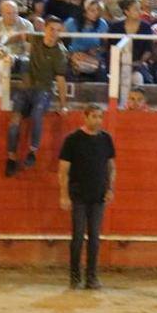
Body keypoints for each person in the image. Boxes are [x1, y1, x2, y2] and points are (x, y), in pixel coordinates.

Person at [58, 104, 116, 290]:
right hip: (78, 195)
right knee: (77, 237)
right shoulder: (73, 139)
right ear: (85, 117)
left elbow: (111, 167)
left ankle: (91, 277)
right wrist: (64, 195)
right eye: (94, 116)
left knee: (94, 238)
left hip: (98, 195)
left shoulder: (106, 139)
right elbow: (63, 171)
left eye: (100, 117)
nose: (98, 120)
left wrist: (110, 189)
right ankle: (75, 277)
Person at [7, 16, 69, 176]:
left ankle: (32, 152)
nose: (54, 33)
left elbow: (61, 80)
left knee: (36, 116)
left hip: (43, 90)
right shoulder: (36, 38)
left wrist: (63, 104)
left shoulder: (60, 53)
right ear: (45, 29)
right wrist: (3, 43)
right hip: (25, 89)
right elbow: (20, 35)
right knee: (14, 124)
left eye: (57, 30)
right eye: (51, 29)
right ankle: (11, 158)